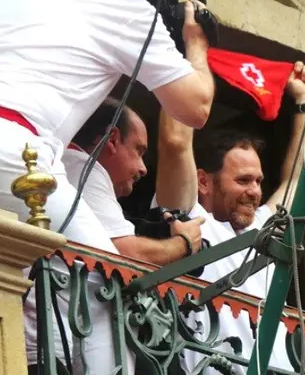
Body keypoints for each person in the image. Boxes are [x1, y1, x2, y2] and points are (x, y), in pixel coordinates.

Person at [0, 0, 214, 375]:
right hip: (15, 150)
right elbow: (195, 107)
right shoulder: (127, 7)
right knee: (105, 283)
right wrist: (195, 43)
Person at [155, 60, 305, 375]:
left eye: (258, 181)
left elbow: (296, 182)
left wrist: (303, 102)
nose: (255, 191)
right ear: (203, 181)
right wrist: (187, 63)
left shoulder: (262, 226)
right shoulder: (192, 217)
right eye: (243, 181)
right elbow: (175, 143)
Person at [62, 98, 206, 264]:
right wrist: (185, 242)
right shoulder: (81, 165)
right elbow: (125, 254)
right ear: (112, 139)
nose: (143, 169)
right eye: (138, 151)